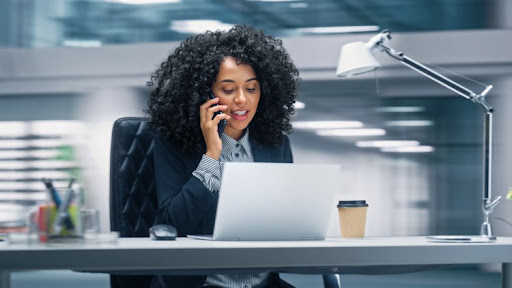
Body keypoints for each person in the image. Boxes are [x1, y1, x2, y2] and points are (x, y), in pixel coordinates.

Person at [147, 24, 300, 288]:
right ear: (203, 94)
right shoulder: (173, 145)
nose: (242, 99)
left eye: (251, 88)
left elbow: (286, 221)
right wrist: (212, 154)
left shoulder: (276, 145)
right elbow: (172, 224)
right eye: (228, 90)